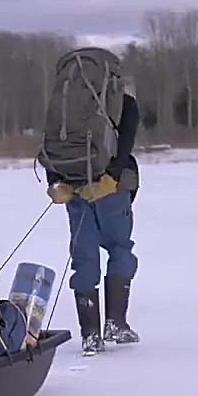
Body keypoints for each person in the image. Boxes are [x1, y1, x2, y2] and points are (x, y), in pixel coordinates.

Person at [46, 79, 141, 355]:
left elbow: (50, 142)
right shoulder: (122, 101)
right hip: (112, 188)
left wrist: (55, 181)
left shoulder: (63, 102)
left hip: (72, 187)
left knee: (84, 258)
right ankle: (115, 324)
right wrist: (113, 175)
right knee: (120, 249)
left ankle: (90, 335)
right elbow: (126, 141)